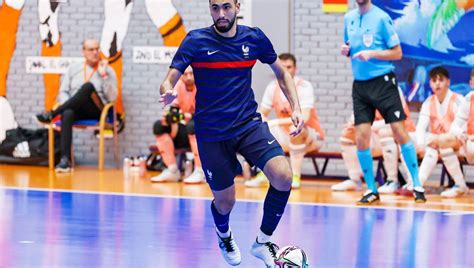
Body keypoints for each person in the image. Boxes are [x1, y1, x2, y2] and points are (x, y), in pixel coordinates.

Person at [159, 0, 304, 266]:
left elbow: (281, 73)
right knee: (226, 202)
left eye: (226, 7)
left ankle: (263, 242)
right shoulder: (195, 41)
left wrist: (296, 107)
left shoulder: (254, 38)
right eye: (215, 8)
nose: (221, 14)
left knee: (283, 176)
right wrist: (167, 90)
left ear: (238, 6)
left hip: (247, 124)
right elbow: (169, 79)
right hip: (212, 132)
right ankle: (224, 234)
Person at [341, 0, 426, 204]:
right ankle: (371, 189)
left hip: (383, 82)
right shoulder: (349, 18)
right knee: (361, 136)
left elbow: (397, 53)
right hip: (360, 85)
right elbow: (349, 46)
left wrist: (373, 53)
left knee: (398, 130)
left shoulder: (381, 18)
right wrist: (346, 50)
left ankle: (416, 183)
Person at [35, 39, 117, 172]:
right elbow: (63, 91)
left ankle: (52, 114)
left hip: (97, 110)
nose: (95, 52)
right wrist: (68, 104)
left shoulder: (108, 70)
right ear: (83, 52)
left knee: (87, 87)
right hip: (76, 108)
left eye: (97, 49)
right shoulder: (74, 69)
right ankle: (65, 160)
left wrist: (104, 76)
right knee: (67, 113)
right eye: (91, 49)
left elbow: (112, 98)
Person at [245, 53, 325, 189]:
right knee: (262, 131)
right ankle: (266, 174)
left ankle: (296, 176)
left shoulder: (304, 86)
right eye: (283, 67)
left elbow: (303, 119)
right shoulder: (272, 87)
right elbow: (262, 114)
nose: (286, 70)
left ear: (295, 69)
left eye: (289, 67)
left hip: (311, 136)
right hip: (286, 135)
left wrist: (275, 122)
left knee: (296, 129)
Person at [332, 88, 417, 194]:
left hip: (403, 135)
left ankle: (393, 181)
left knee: (384, 132)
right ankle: (355, 179)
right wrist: (353, 125)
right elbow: (355, 118)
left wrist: (365, 125)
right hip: (379, 137)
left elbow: (394, 121)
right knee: (348, 135)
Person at [416, 67, 467, 197]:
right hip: (438, 144)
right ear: (430, 83)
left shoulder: (458, 100)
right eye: (434, 80)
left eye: (441, 80)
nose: (437, 83)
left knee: (443, 144)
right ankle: (418, 184)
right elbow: (421, 127)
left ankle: (460, 185)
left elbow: (464, 127)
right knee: (430, 146)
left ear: (448, 82)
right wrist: (420, 144)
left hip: (461, 142)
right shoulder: (428, 102)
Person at [150, 66, 205, 184]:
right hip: (187, 130)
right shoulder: (178, 86)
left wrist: (189, 116)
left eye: (192, 73)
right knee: (159, 126)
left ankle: (200, 171)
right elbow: (174, 111)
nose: (189, 77)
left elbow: (207, 113)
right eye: (185, 74)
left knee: (193, 125)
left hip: (204, 131)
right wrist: (168, 118)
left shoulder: (203, 85)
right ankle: (172, 170)